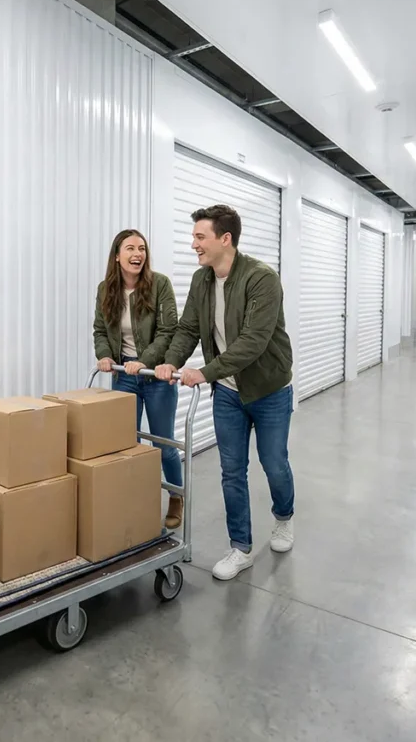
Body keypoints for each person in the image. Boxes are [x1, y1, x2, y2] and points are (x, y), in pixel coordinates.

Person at [155, 204, 295, 581]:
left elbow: (253, 342)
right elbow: (187, 328)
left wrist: (204, 372)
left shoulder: (262, 279)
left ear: (225, 239)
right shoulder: (202, 280)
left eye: (200, 237)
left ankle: (283, 519)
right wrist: (170, 362)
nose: (193, 245)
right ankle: (241, 548)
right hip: (229, 395)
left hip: (268, 390)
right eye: (195, 237)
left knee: (274, 464)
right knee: (232, 471)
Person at [93, 229, 184, 528]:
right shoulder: (106, 289)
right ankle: (134, 498)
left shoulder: (160, 285)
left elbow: (168, 331)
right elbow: (100, 331)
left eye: (142, 248)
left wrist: (145, 361)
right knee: (126, 442)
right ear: (117, 255)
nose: (137, 254)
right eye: (130, 248)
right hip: (124, 375)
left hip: (154, 375)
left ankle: (175, 496)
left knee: (163, 445)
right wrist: (105, 355)